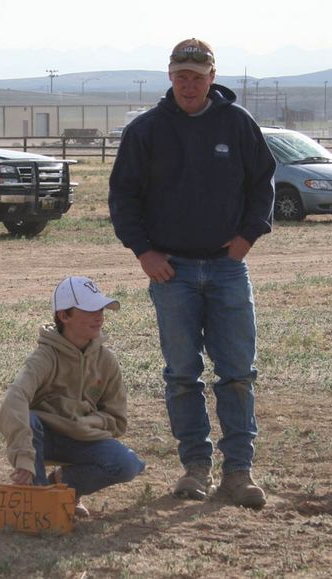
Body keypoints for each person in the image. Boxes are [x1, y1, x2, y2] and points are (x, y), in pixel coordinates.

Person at [108, 38, 276, 509]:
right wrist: (143, 252)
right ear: (169, 76)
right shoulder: (147, 130)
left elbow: (263, 184)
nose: (189, 84)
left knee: (238, 374)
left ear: (212, 78)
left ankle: (238, 473)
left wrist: (247, 237)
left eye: (197, 76)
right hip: (171, 274)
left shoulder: (238, 124)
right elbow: (123, 196)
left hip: (226, 269)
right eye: (181, 75)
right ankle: (195, 469)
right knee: (182, 376)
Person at [0, 276, 145, 517]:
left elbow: (118, 420)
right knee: (32, 420)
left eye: (101, 308)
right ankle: (37, 500)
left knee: (127, 464)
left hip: (82, 439)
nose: (99, 316)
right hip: (43, 438)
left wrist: (88, 423)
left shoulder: (106, 361)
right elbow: (15, 398)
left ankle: (61, 487)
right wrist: (23, 457)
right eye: (89, 310)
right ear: (64, 316)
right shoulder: (45, 357)